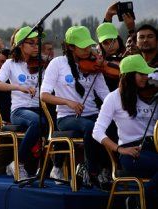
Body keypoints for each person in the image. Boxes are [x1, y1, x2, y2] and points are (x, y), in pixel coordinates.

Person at [40, 26, 111, 187]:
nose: (88, 49)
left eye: (89, 46)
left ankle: (106, 170)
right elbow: (44, 95)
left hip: (92, 114)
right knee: (92, 126)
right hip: (66, 117)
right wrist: (68, 102)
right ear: (71, 47)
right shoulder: (57, 63)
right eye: (83, 46)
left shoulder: (94, 65)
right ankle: (91, 171)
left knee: (110, 125)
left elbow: (104, 94)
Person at [93, 55, 158, 207]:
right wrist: (120, 149)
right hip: (133, 152)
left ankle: (139, 199)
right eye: (141, 74)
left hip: (154, 147)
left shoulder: (152, 94)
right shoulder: (113, 98)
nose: (146, 77)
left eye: (146, 74)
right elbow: (97, 131)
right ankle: (140, 199)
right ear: (129, 76)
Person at [0, 26, 44, 180]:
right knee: (37, 122)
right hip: (20, 110)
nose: (36, 47)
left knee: (51, 123)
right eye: (31, 43)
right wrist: (19, 87)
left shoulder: (42, 64)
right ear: (21, 45)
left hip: (39, 108)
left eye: (37, 43)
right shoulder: (10, 64)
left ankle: (53, 168)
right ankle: (18, 163)